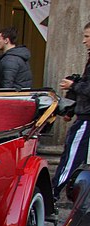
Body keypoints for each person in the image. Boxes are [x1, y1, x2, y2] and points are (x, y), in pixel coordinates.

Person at [53, 22, 90, 199]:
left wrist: (73, 85)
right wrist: (71, 110)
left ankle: (54, 191)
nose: (84, 41)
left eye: (87, 37)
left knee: (72, 156)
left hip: (87, 119)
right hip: (84, 115)